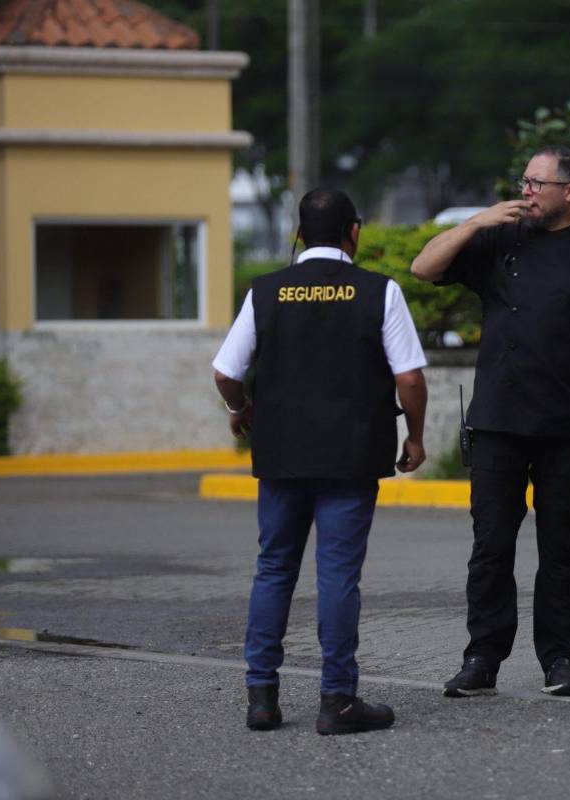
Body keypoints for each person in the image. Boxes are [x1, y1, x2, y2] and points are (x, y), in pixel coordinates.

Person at [410, 146, 570, 698]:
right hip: (497, 421)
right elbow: (423, 268)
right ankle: (482, 658)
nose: (525, 192)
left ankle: (560, 659)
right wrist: (475, 222)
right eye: (523, 181)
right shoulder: (500, 239)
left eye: (537, 183)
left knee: (560, 550)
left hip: (568, 424)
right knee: (491, 546)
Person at [212, 187, 428, 734]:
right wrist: (417, 438)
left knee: (274, 570)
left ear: (299, 235)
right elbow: (409, 378)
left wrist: (240, 409)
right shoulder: (380, 291)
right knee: (337, 577)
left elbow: (225, 373)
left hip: (282, 455)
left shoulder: (266, 292)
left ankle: (261, 699)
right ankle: (337, 702)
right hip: (351, 458)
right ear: (355, 231)